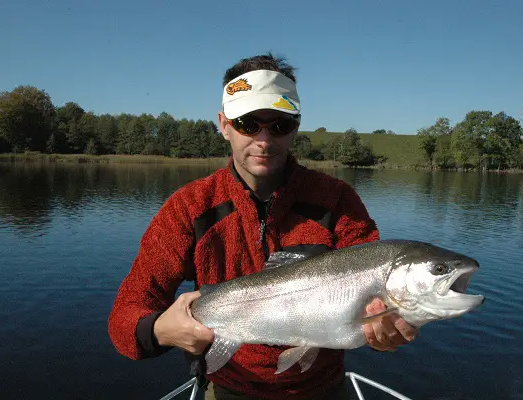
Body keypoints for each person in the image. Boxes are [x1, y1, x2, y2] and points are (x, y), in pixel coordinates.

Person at [108, 54, 418, 400]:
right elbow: (125, 316)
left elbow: (372, 317)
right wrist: (161, 330)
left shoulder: (338, 200)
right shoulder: (188, 208)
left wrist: (384, 335)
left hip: (322, 389)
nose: (265, 140)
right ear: (224, 125)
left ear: (296, 127)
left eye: (279, 125)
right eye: (248, 124)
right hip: (227, 388)